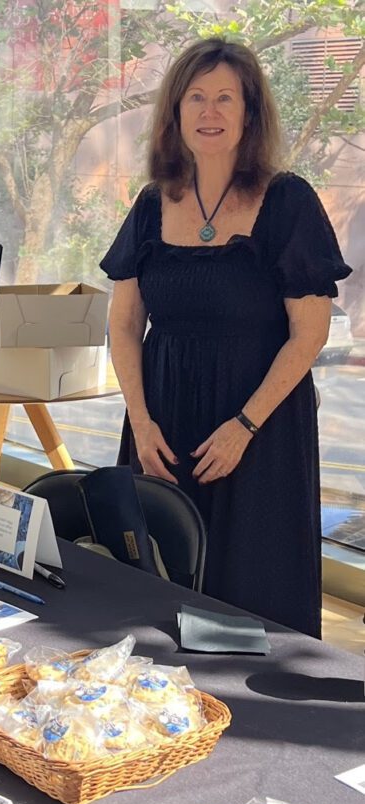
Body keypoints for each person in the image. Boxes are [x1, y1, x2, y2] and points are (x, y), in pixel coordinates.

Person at [100, 37, 351, 638]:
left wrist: (243, 427)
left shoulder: (289, 201)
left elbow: (308, 333)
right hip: (163, 416)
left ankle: (262, 718)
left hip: (259, 423)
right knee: (157, 581)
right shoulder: (150, 204)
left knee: (255, 583)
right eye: (196, 98)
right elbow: (125, 322)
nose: (209, 113)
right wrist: (139, 420)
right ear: (176, 112)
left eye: (225, 98)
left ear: (249, 112)